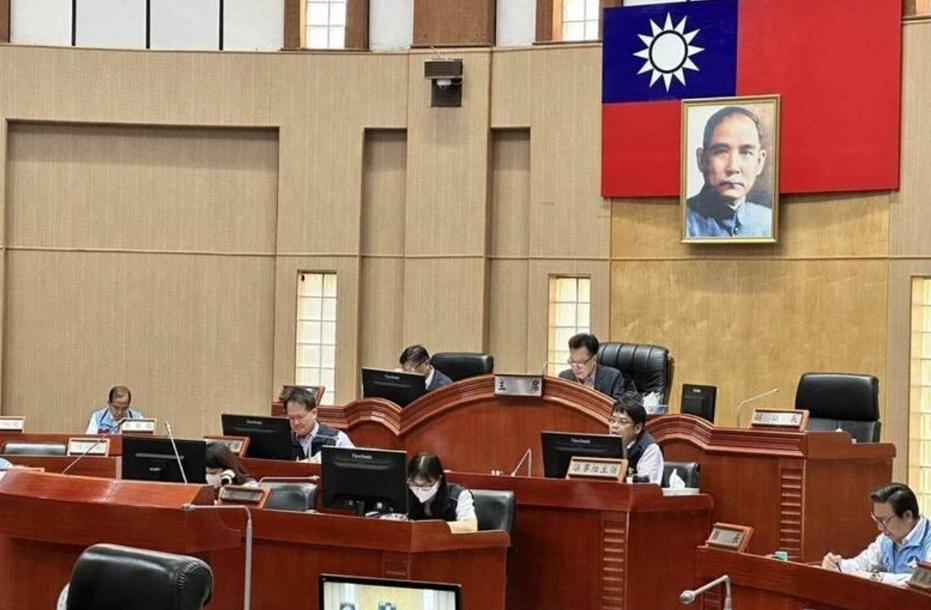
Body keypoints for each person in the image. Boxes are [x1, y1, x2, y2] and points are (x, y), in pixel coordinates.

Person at [686, 106, 772, 238]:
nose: (733, 167)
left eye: (746, 152)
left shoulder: (769, 221)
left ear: (760, 162)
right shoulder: (682, 222)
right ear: (702, 160)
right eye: (721, 151)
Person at [821, 483, 930, 586]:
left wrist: (875, 577)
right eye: (877, 519)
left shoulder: (928, 538)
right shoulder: (886, 539)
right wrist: (837, 565)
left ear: (908, 516)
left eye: (885, 521)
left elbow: (924, 582)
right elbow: (861, 564)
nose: (880, 528)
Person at [406, 452, 478, 533]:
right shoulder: (405, 492)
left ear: (439, 480)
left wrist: (428, 528)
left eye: (426, 486)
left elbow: (470, 527)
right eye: (414, 484)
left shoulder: (459, 495)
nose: (419, 490)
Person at [558, 333, 637, 401]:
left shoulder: (613, 377)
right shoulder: (564, 377)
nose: (576, 367)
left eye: (581, 363)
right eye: (572, 362)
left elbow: (618, 409)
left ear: (594, 359)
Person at [284, 387, 353, 461]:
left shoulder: (336, 438)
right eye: (291, 418)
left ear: (314, 413)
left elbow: (354, 464)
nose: (296, 423)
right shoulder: (285, 441)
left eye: (300, 417)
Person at [609, 397, 664, 484]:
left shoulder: (650, 449)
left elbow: (645, 488)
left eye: (622, 422)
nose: (614, 426)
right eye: (612, 420)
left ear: (637, 428)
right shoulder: (606, 444)